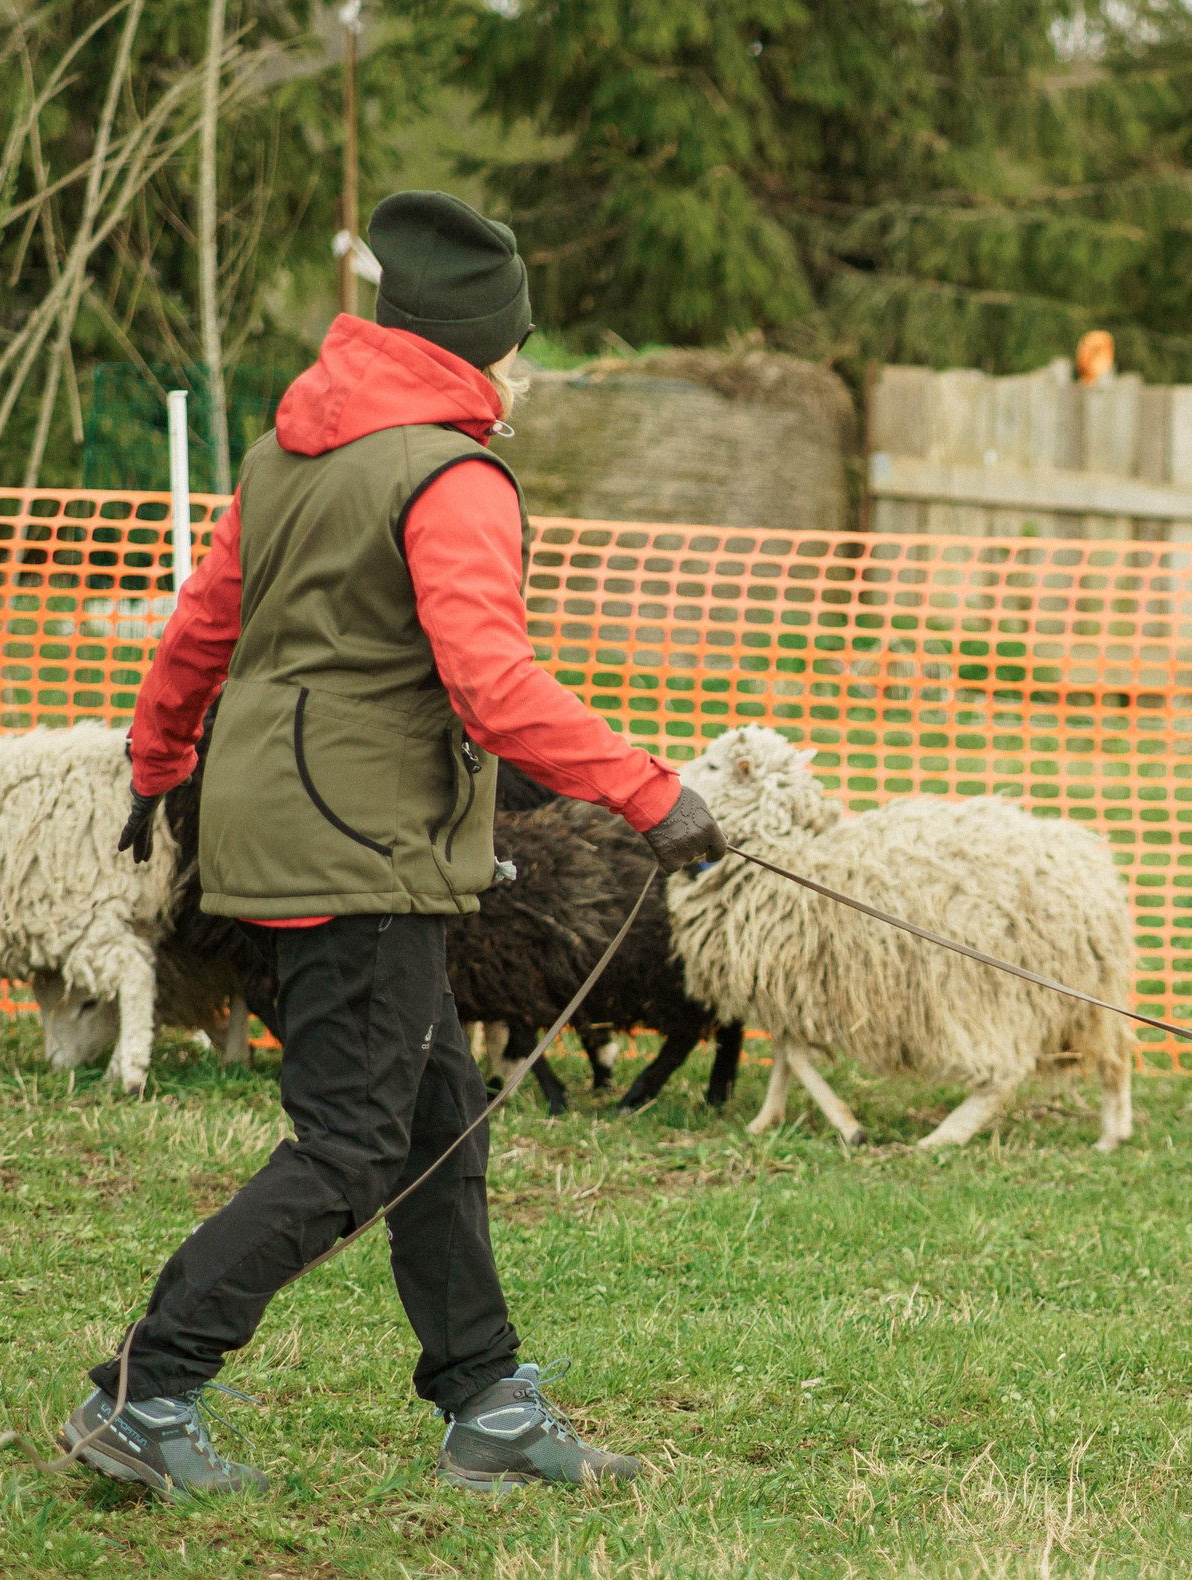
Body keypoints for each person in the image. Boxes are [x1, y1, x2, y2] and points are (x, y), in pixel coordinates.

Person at [63, 191, 726, 1501]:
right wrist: (651, 795)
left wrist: (156, 764)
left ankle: (487, 1407)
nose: (524, 371)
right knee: (356, 1143)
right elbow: (491, 682)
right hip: (357, 841)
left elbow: (201, 631)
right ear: (481, 343)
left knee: (433, 1122)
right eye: (520, 345)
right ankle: (146, 1394)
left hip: (276, 816)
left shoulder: (290, 452)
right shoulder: (450, 473)